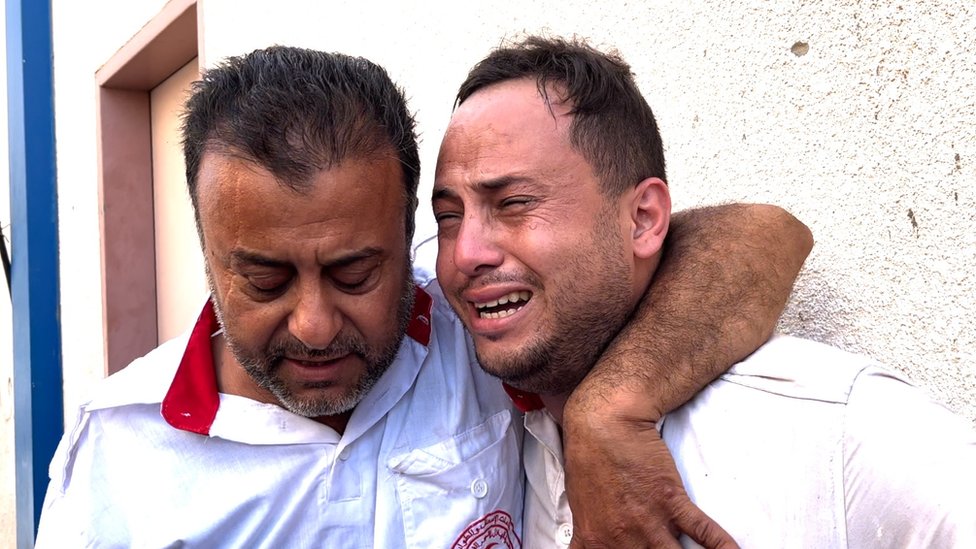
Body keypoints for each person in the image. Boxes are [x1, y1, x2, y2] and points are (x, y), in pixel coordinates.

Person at [35, 46, 811, 548]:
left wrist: (612, 410)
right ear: (207, 252)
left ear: (410, 233)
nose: (313, 323)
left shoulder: (473, 331)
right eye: (265, 279)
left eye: (354, 273)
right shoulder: (116, 454)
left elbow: (762, 237)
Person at [433, 35, 976, 548]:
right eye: (448, 217)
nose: (464, 253)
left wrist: (606, 412)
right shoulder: (498, 430)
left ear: (643, 219)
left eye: (514, 203)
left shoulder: (832, 425)